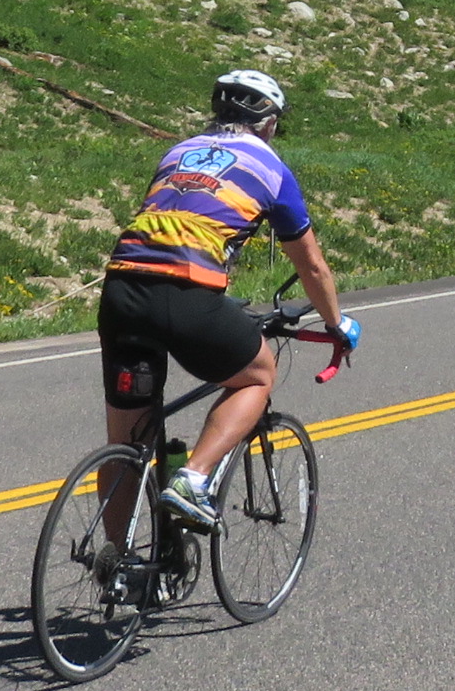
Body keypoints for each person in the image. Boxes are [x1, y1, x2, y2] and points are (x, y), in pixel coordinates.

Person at [98, 69, 360, 530]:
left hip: (122, 289)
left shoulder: (177, 152)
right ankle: (193, 480)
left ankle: (117, 570)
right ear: (270, 123)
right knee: (257, 376)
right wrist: (336, 323)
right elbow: (312, 266)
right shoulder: (271, 169)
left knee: (128, 446)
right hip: (184, 291)